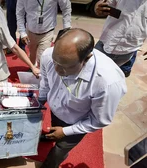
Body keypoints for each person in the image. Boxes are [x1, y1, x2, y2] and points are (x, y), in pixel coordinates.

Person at [38, 28, 127, 168]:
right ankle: (50, 136)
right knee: (53, 130)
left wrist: (66, 131)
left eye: (65, 67)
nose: (57, 70)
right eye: (55, 62)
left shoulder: (107, 83)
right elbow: (46, 82)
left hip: (76, 123)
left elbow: (99, 120)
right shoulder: (48, 55)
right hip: (55, 111)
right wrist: (39, 103)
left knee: (59, 150)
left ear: (87, 58)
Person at [94, 0, 147, 77]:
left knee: (114, 78)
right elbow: (104, 4)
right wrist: (98, 7)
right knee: (91, 74)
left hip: (128, 51)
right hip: (104, 44)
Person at [16, 0, 72, 67]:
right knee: (32, 56)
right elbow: (19, 13)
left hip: (47, 32)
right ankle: (32, 69)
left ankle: (41, 73)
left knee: (42, 58)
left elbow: (66, 7)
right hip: (30, 32)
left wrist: (66, 27)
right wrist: (22, 32)